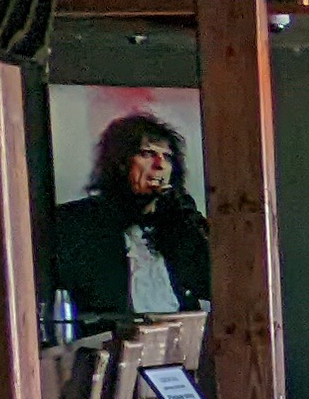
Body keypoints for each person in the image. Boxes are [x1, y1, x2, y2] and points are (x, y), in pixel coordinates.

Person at [47, 111, 210, 321]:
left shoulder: (177, 224)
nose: (160, 164)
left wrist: (185, 216)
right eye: (147, 154)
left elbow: (211, 285)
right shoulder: (78, 223)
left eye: (167, 157)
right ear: (120, 162)